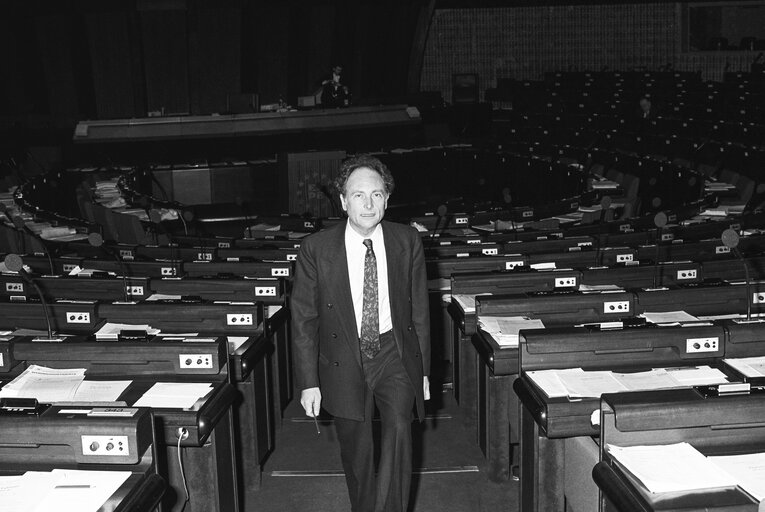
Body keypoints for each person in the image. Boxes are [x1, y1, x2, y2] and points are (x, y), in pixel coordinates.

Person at [291, 155, 431, 512]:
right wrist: (309, 381)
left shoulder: (407, 240)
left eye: (377, 194)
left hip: (392, 353)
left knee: (399, 428)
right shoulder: (316, 249)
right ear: (343, 201)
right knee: (358, 454)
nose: (368, 204)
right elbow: (304, 320)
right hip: (342, 359)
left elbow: (419, 313)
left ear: (387, 198)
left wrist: (424, 371)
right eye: (358, 195)